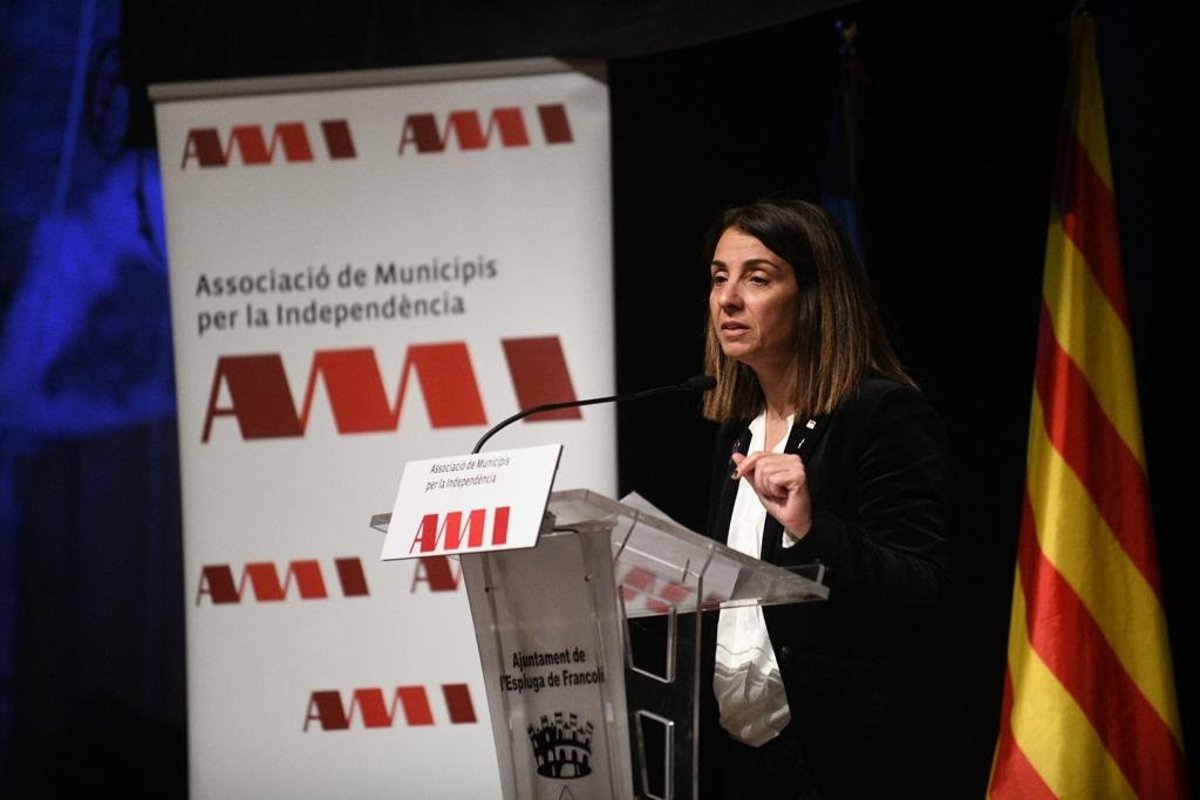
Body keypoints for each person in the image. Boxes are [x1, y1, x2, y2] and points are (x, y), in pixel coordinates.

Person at [698, 197, 977, 798]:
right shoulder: (737, 432)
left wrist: (812, 528)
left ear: (814, 297)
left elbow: (923, 587)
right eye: (719, 278)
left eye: (757, 278)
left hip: (857, 765)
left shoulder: (881, 414)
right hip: (749, 763)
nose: (728, 299)